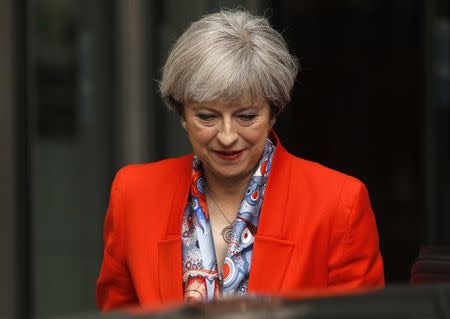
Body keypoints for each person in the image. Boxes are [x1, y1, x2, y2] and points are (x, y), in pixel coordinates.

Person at [96, 9, 384, 311]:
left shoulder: (339, 204)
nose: (228, 135)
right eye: (207, 117)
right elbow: (117, 313)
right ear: (181, 113)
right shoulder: (135, 194)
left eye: (246, 116)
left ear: (273, 112)